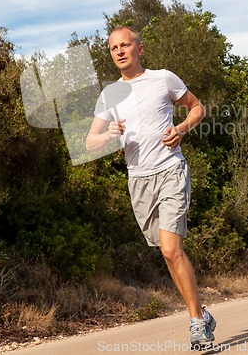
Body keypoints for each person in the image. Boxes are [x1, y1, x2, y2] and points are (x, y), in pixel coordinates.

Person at [86, 26, 216, 350]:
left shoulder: (163, 78)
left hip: (170, 169)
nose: (119, 51)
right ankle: (201, 313)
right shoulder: (110, 95)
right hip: (138, 180)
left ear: (138, 49)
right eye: (114, 47)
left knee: (172, 249)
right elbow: (90, 142)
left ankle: (197, 324)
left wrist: (182, 128)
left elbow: (197, 107)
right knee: (168, 255)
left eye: (125, 45)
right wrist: (108, 135)